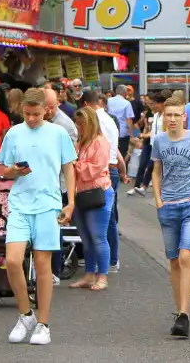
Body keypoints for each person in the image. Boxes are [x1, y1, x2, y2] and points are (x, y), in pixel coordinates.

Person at [0, 89, 77, 346]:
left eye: (36, 113)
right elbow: (5, 171)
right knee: (12, 261)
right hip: (20, 203)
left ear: (47, 110)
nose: (31, 118)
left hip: (48, 204)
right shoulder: (13, 133)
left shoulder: (59, 133)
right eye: (27, 113)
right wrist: (14, 171)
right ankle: (25, 314)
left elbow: (68, 167)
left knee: (43, 265)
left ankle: (43, 323)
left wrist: (71, 201)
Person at [151, 96, 190, 338]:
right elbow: (156, 171)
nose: (173, 119)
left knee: (186, 255)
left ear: (184, 117)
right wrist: (157, 199)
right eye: (169, 115)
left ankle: (185, 315)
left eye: (177, 115)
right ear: (164, 116)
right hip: (167, 205)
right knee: (175, 262)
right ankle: (179, 311)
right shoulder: (159, 141)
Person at [68, 107, 113, 291]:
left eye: (82, 123)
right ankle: (88, 274)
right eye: (77, 123)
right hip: (82, 193)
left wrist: (76, 165)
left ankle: (102, 276)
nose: (79, 127)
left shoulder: (100, 142)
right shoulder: (82, 142)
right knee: (86, 238)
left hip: (97, 192)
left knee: (98, 237)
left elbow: (95, 168)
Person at [85, 89, 127, 272]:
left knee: (103, 219)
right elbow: (114, 149)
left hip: (104, 171)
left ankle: (109, 261)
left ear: (86, 104)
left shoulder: (96, 120)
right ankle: (111, 259)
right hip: (112, 169)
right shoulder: (109, 120)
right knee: (108, 218)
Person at [45, 88, 78, 283]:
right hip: (46, 183)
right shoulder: (47, 122)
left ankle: (55, 270)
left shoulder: (65, 126)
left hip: (58, 184)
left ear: (51, 107)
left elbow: (68, 162)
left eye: (45, 107)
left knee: (54, 227)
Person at [129, 91, 165, 196]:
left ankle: (153, 189)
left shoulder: (165, 116)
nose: (152, 106)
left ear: (161, 103)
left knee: (155, 168)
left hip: (162, 146)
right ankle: (143, 187)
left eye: (153, 103)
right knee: (149, 166)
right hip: (153, 145)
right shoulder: (156, 115)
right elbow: (152, 130)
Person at [106, 84, 136, 167]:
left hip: (109, 131)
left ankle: (112, 170)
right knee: (122, 153)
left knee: (111, 153)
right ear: (125, 93)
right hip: (123, 133)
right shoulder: (127, 103)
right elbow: (129, 120)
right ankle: (120, 171)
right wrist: (131, 134)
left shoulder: (108, 101)